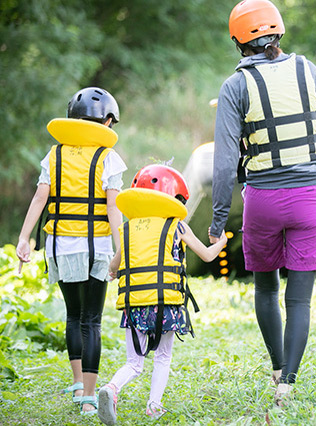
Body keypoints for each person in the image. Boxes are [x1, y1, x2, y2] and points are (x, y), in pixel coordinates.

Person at [208, 0, 316, 405]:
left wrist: (218, 222)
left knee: (266, 289)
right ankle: (288, 381)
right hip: (310, 198)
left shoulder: (234, 86)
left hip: (262, 201)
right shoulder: (305, 68)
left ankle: (275, 368)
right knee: (300, 298)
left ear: (237, 40)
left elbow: (222, 166)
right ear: (279, 31)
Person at [15, 87, 126, 414]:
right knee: (91, 320)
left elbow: (40, 199)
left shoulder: (54, 155)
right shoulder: (109, 158)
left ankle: (78, 384)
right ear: (106, 120)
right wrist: (121, 252)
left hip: (60, 246)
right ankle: (89, 398)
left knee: (73, 315)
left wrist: (24, 238)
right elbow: (113, 210)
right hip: (96, 249)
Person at [97, 164, 228, 425]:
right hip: (165, 304)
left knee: (134, 363)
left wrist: (112, 273)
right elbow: (206, 254)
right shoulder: (176, 226)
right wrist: (222, 242)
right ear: (174, 198)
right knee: (163, 356)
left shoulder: (128, 228)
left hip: (133, 305)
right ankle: (154, 406)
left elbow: (114, 265)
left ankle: (111, 389)